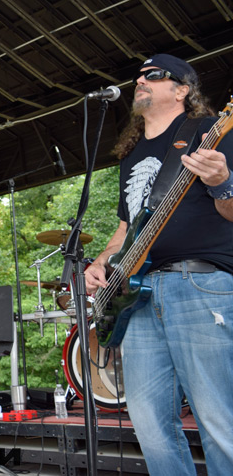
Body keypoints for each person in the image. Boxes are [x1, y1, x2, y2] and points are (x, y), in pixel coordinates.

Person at [85, 53, 233, 475]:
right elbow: (126, 228)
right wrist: (101, 263)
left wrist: (222, 182)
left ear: (182, 89)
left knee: (219, 419)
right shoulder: (131, 155)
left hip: (198, 284)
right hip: (137, 296)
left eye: (153, 75)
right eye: (138, 77)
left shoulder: (210, 131)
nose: (140, 81)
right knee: (149, 425)